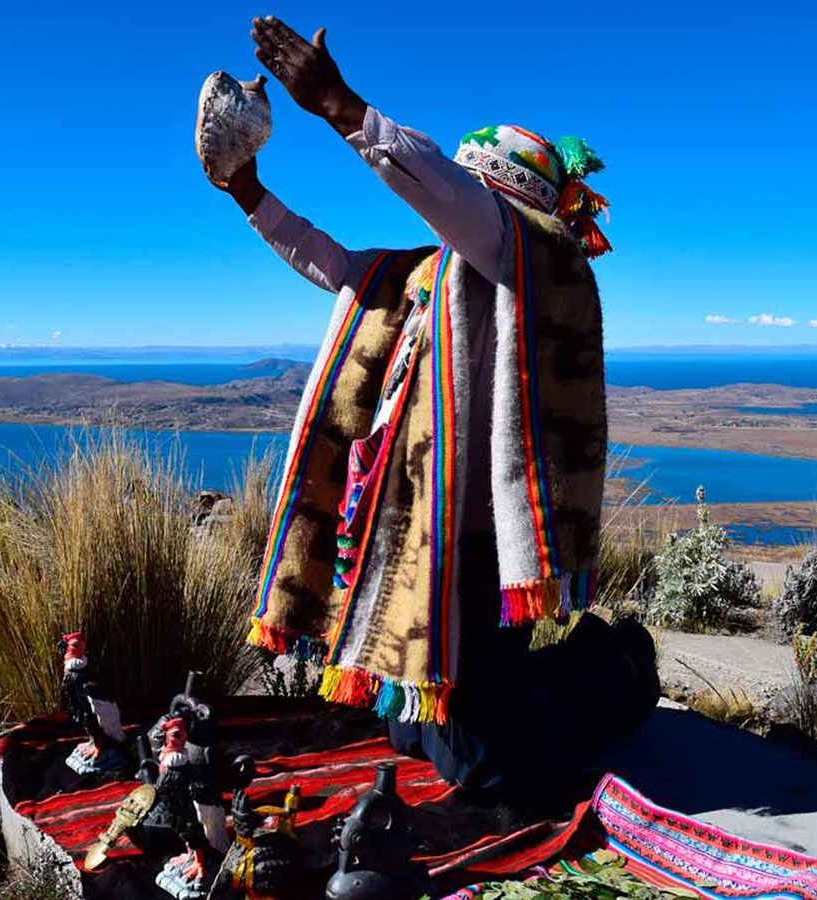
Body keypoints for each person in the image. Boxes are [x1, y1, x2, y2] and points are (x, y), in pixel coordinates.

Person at [208, 16, 657, 790]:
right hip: (411, 528)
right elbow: (331, 260)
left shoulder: (534, 262)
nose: (453, 203)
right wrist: (245, 189)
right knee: (410, 731)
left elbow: (447, 193)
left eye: (473, 192)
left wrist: (343, 107)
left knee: (476, 763)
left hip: (479, 543)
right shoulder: (428, 276)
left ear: (508, 206)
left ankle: (618, 669)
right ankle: (545, 677)